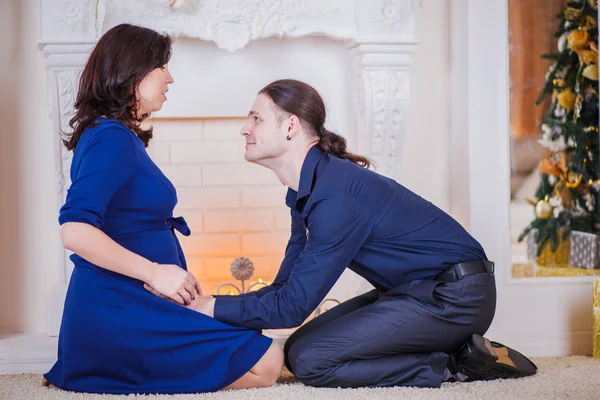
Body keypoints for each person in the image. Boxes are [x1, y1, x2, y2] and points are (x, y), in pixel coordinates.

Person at [187, 79, 537, 388]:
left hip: (457, 298)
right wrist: (213, 307)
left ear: (290, 126)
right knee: (296, 350)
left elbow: (291, 308)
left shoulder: (335, 196)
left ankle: (454, 363)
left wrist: (210, 307)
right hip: (411, 292)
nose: (244, 129)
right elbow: (286, 290)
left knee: (312, 361)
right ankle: (438, 345)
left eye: (256, 118)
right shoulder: (305, 191)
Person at [42, 24, 283, 394]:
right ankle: (100, 361)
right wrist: (156, 274)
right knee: (266, 362)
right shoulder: (110, 138)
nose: (170, 78)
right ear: (132, 71)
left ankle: (100, 363)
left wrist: (172, 282)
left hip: (134, 301)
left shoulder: (117, 136)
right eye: (162, 66)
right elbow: (74, 231)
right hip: (118, 306)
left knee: (256, 346)